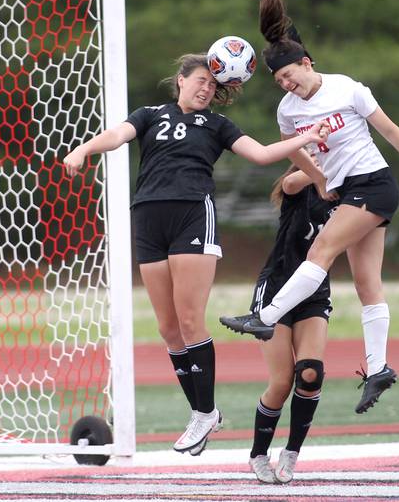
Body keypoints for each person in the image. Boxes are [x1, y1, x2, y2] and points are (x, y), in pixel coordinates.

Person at [62, 54, 329, 456]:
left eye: (214, 86)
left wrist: (305, 139)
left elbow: (259, 154)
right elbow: (117, 135)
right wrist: (84, 149)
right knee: (168, 328)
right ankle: (203, 412)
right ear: (182, 80)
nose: (207, 90)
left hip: (191, 214)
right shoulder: (150, 114)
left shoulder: (218, 125)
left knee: (189, 320)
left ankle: (204, 413)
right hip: (148, 217)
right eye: (201, 81)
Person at [250, 0, 399, 414]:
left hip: (375, 185)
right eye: (279, 81)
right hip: (347, 192)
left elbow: (390, 130)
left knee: (319, 252)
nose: (287, 85)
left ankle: (264, 318)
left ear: (307, 63)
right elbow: (298, 157)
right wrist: (321, 181)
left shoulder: (346, 88)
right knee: (367, 285)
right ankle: (379, 368)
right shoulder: (288, 111)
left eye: (290, 75)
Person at [220, 163, 336, 484]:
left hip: (314, 293)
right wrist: (325, 161)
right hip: (276, 290)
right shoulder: (300, 186)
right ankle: (259, 452)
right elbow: (291, 182)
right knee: (282, 381)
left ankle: (292, 452)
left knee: (311, 375)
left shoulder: (346, 197)